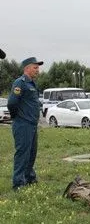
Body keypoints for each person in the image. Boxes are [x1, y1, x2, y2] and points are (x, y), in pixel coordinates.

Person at [7, 57, 43, 191]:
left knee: (32, 153)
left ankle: (29, 177)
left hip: (32, 125)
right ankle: (18, 183)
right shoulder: (20, 83)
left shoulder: (32, 84)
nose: (37, 70)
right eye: (35, 67)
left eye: (38, 68)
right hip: (23, 124)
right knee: (22, 153)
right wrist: (18, 117)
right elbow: (12, 103)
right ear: (27, 68)